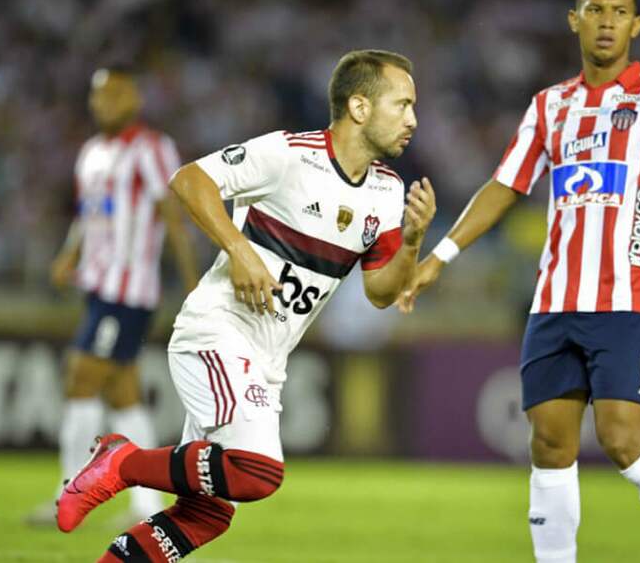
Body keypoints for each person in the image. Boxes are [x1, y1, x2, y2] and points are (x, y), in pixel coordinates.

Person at [398, 0, 640, 563]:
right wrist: (440, 256)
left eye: (619, 12)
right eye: (596, 10)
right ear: (574, 20)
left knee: (622, 440)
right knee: (549, 443)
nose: (607, 22)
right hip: (554, 300)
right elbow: (504, 187)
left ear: (637, 25)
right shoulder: (548, 106)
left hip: (627, 299)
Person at [55, 49, 435, 562]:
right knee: (258, 471)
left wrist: (411, 242)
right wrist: (238, 250)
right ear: (360, 107)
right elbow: (189, 180)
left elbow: (381, 292)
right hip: (218, 331)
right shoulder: (289, 155)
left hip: (266, 358)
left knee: (207, 514)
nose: (413, 119)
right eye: (402, 104)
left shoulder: (388, 191)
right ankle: (122, 462)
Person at [29, 66, 199, 526]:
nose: (101, 103)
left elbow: (174, 218)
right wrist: (69, 256)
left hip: (129, 291)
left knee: (80, 376)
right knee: (124, 395)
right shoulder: (91, 153)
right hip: (97, 286)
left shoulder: (152, 149)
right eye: (97, 95)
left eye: (112, 95)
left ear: (134, 100)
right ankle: (148, 507)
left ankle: (71, 492)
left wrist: (191, 283)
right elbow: (87, 217)